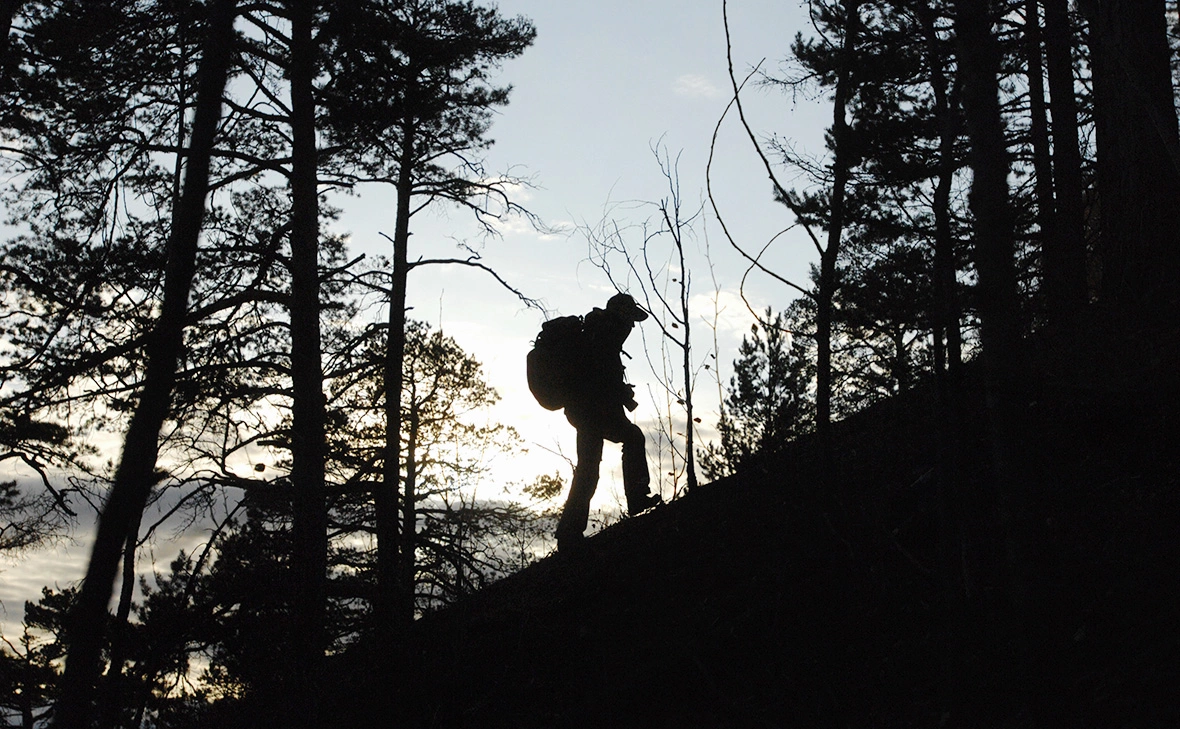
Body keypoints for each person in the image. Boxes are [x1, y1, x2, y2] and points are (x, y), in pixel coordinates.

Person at [555, 293, 662, 551]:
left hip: (585, 410)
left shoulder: (597, 333)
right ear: (621, 316)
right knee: (632, 438)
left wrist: (620, 392)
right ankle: (636, 498)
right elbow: (600, 378)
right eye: (630, 319)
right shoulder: (605, 336)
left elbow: (600, 376)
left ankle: (569, 532)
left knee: (588, 468)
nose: (632, 326)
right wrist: (620, 393)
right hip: (593, 410)